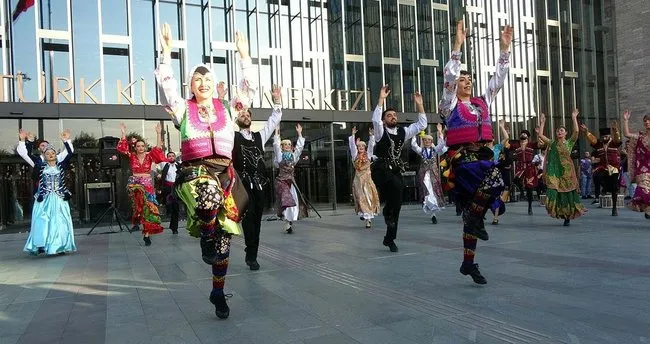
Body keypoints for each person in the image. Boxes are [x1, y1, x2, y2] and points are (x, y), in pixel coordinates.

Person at [155, 23, 254, 319]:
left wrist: (244, 56)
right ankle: (205, 235)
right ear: (191, 86)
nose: (203, 83)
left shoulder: (227, 108)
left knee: (224, 245)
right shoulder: (183, 108)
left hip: (226, 174)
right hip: (194, 173)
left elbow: (247, 91)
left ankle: (218, 292)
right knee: (208, 197)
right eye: (197, 80)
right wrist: (167, 53)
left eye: (207, 78)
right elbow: (167, 85)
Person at [439, 19, 512, 284]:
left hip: (482, 155)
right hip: (463, 160)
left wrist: (505, 50)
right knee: (494, 179)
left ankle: (468, 263)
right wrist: (457, 44)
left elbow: (498, 80)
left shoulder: (483, 102)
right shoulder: (448, 104)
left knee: (473, 213)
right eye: (462, 79)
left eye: (469, 79)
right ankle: (473, 222)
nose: (466, 82)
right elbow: (448, 76)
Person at [232, 86, 283, 271]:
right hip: (242, 186)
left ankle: (252, 253)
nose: (246, 116)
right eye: (242, 114)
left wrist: (276, 100)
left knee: (257, 220)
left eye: (248, 114)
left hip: (259, 185)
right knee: (248, 217)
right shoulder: (233, 136)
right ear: (236, 119)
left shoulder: (259, 136)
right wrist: (228, 103)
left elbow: (274, 120)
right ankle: (250, 253)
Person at [371, 87, 427, 253]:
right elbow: (375, 120)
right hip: (381, 169)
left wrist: (420, 105)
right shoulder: (380, 132)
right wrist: (381, 99)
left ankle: (390, 238)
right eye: (389, 115)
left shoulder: (403, 132)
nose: (393, 117)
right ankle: (388, 210)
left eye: (395, 115)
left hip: (394, 170)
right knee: (394, 187)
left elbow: (422, 124)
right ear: (384, 119)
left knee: (398, 203)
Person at [16, 129, 76, 256]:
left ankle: (60, 245)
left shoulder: (60, 161)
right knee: (43, 222)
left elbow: (69, 152)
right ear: (41, 151)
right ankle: (42, 245)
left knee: (60, 221)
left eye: (51, 151)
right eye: (44, 149)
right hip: (44, 198)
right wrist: (23, 141)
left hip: (59, 198)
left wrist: (66, 140)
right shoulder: (39, 163)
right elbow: (25, 154)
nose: (49, 153)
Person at [117, 123, 166, 245]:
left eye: (142, 145)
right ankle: (137, 221)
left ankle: (146, 234)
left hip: (147, 185)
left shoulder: (150, 157)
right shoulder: (131, 156)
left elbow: (158, 149)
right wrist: (123, 133)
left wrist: (158, 133)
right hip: (135, 185)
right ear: (135, 147)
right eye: (138, 146)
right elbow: (123, 149)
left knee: (148, 209)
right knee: (139, 207)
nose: (140, 148)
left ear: (145, 147)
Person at [537, 110, 586, 226]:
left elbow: (576, 131)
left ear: (565, 133)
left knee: (566, 194)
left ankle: (567, 216)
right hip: (554, 172)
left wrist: (574, 117)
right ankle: (554, 210)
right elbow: (540, 135)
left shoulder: (569, 143)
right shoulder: (551, 143)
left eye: (561, 130)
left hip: (566, 172)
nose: (559, 132)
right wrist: (542, 122)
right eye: (558, 130)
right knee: (552, 191)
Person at [499, 120, 544, 215]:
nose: (523, 134)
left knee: (530, 188)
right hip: (520, 166)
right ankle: (522, 192)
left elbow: (541, 144)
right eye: (522, 133)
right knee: (516, 179)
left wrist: (538, 133)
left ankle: (530, 206)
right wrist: (502, 128)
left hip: (529, 167)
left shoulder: (532, 144)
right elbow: (506, 144)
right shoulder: (516, 145)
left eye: (525, 134)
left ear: (528, 137)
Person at [581, 120, 622, 215]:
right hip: (603, 167)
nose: (604, 138)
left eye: (606, 136)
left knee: (614, 188)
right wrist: (586, 132)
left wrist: (615, 129)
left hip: (614, 167)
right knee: (596, 175)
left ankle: (614, 208)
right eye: (603, 136)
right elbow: (592, 139)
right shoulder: (599, 144)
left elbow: (617, 138)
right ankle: (604, 188)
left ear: (609, 136)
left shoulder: (614, 143)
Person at [273, 125, 307, 233]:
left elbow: (299, 148)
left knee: (293, 202)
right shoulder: (279, 156)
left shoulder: (293, 156)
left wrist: (299, 134)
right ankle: (287, 221)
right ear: (282, 146)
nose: (287, 146)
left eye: (289, 144)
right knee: (287, 200)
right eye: (285, 144)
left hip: (291, 182)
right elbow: (276, 146)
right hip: (282, 182)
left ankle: (288, 221)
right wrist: (276, 133)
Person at [411, 124, 447, 224]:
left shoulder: (435, 150)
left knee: (433, 192)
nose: (427, 142)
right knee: (427, 192)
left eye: (429, 140)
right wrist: (414, 134)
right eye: (425, 140)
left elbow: (441, 144)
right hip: (424, 174)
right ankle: (432, 212)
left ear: (431, 142)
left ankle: (433, 214)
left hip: (433, 174)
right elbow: (414, 146)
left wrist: (440, 132)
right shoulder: (421, 151)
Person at [622, 110, 650, 218]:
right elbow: (627, 134)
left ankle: (648, 208)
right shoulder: (640, 136)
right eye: (645, 121)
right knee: (644, 190)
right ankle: (648, 209)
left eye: (649, 121)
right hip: (643, 169)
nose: (647, 122)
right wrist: (626, 120)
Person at [349, 126, 379, 229]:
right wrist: (353, 135)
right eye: (359, 146)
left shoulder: (369, 155)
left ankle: (368, 219)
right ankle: (363, 213)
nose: (361, 147)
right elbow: (352, 146)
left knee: (368, 197)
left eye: (362, 146)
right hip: (358, 180)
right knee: (359, 197)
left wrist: (371, 136)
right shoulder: (355, 156)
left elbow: (371, 146)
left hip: (367, 180)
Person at [492, 123, 513, 225]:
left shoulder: (497, 148)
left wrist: (501, 127)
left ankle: (495, 217)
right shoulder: (482, 150)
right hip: (486, 175)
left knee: (496, 196)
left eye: (490, 138)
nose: (488, 141)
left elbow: (506, 137)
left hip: (496, 175)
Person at [156, 151, 181, 234]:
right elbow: (162, 178)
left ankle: (174, 228)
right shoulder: (165, 166)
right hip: (167, 188)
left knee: (176, 208)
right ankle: (169, 214)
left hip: (176, 188)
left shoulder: (178, 166)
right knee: (169, 206)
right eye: (169, 156)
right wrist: (160, 188)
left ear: (174, 157)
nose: (171, 157)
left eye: (172, 156)